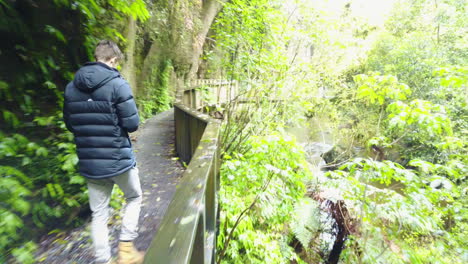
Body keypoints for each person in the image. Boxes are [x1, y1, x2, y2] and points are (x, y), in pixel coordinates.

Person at [63, 40, 144, 264]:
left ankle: (102, 260)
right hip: (118, 160)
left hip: (90, 162)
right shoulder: (118, 84)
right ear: (113, 60)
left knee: (99, 214)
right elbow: (132, 124)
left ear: (96, 56)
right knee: (134, 197)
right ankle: (126, 250)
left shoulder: (71, 87)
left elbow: (71, 124)